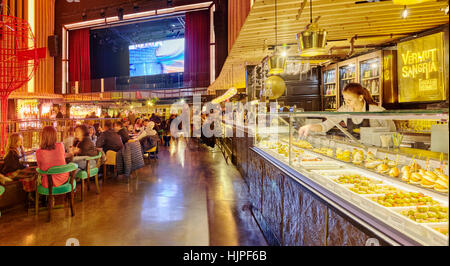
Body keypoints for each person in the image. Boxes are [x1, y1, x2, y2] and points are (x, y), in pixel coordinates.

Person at [298, 83, 396, 139]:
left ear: (361, 97)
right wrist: (309, 127)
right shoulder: (344, 110)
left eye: (349, 100)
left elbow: (392, 131)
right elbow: (325, 126)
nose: (346, 102)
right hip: (355, 149)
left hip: (377, 151)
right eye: (345, 99)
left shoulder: (376, 111)